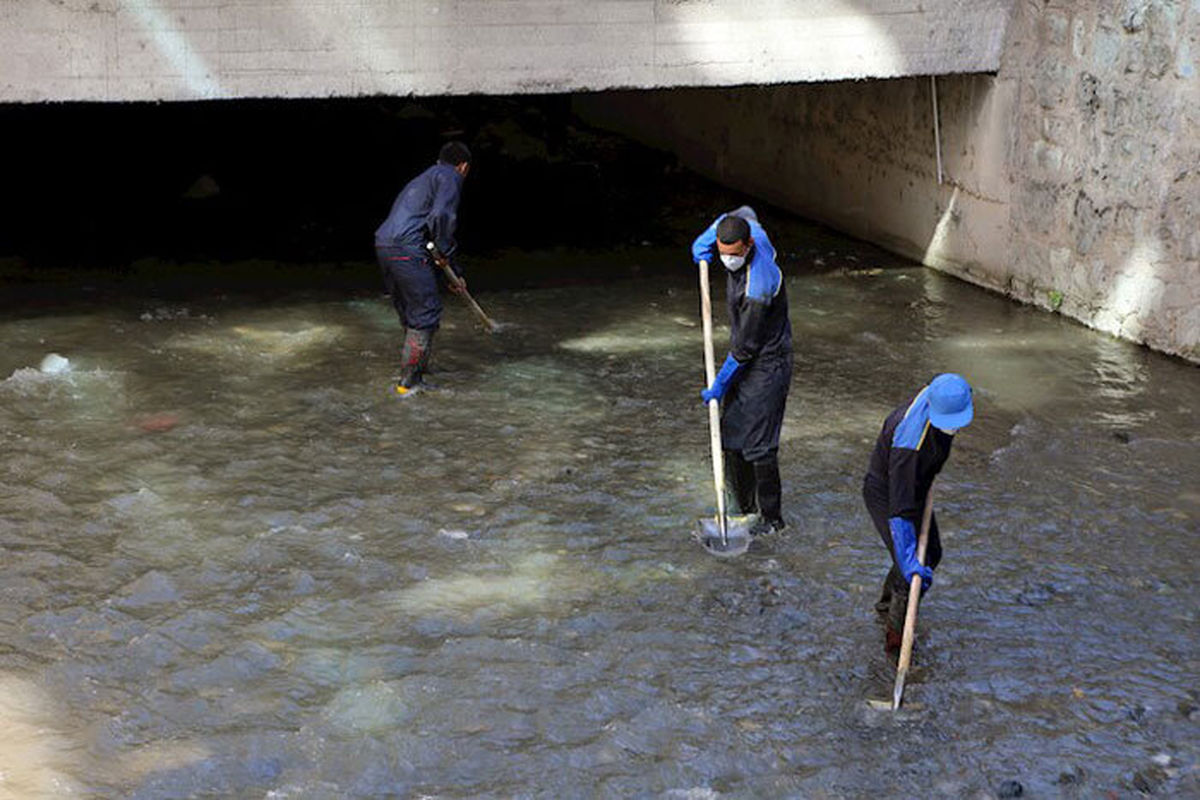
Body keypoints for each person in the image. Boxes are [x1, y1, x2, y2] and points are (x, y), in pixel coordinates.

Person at [691, 206, 793, 536]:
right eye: (721, 254)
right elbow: (741, 212)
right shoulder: (750, 228)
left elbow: (745, 349)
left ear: (748, 247)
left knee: (759, 445)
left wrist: (719, 385)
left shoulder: (759, 285)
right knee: (732, 434)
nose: (726, 260)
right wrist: (705, 241)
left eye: (732, 255)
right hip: (746, 356)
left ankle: (772, 520)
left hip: (768, 361)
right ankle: (744, 509)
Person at [862, 373, 974, 656]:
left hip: (917, 485)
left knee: (932, 553)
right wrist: (908, 558)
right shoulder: (907, 446)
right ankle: (895, 643)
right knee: (907, 568)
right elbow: (900, 510)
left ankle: (885, 606)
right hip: (888, 493)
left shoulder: (947, 392)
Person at [374, 141, 471, 396]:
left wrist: (452, 270)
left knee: (411, 311)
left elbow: (424, 230)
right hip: (407, 247)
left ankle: (417, 369)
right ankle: (408, 385)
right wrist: (447, 254)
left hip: (384, 244)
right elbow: (441, 217)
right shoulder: (450, 176)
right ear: (464, 167)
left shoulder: (425, 177)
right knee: (426, 311)